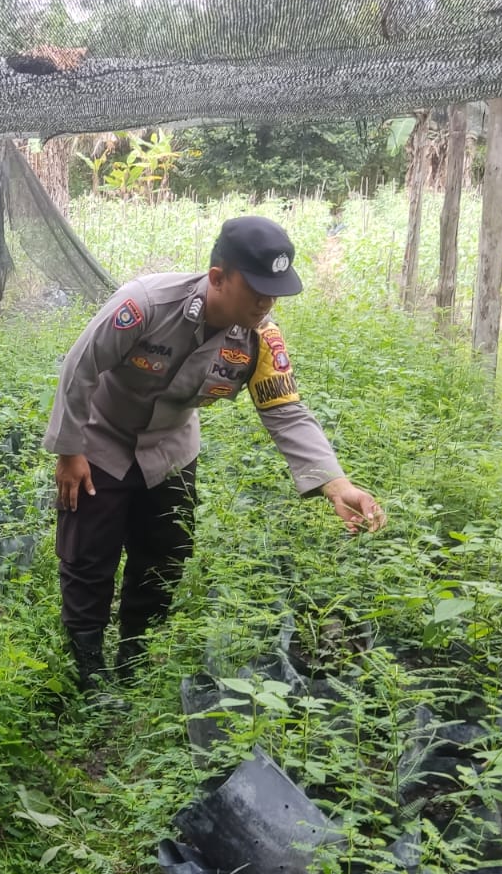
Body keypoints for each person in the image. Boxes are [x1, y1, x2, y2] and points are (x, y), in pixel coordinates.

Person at [43, 215, 386, 696]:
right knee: (88, 555)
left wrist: (336, 482)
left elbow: (284, 409)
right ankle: (89, 667)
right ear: (218, 277)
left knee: (165, 555)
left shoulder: (261, 339)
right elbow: (81, 366)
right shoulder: (145, 304)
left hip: (171, 449)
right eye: (257, 289)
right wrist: (69, 450)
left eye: (275, 292)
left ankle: (135, 655)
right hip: (100, 439)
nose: (267, 303)